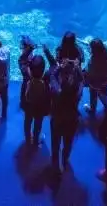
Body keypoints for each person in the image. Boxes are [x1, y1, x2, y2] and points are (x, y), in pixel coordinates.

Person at [44, 44, 83, 174]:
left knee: (55, 139)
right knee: (68, 141)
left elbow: (52, 76)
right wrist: (77, 68)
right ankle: (65, 159)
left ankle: (55, 158)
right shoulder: (77, 93)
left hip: (57, 118)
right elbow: (81, 80)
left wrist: (60, 67)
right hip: (72, 119)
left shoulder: (57, 90)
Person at [23, 55, 50, 145]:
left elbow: (26, 96)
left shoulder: (28, 81)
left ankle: (27, 138)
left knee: (27, 122)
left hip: (29, 107)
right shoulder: (45, 83)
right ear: (43, 70)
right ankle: (35, 139)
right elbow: (46, 97)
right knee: (38, 124)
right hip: (40, 109)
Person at [83, 38, 107, 115]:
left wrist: (83, 72)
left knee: (93, 94)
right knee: (104, 92)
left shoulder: (94, 61)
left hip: (95, 82)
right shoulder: (105, 51)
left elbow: (89, 72)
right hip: (106, 78)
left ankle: (92, 110)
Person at [18, 35, 38, 109]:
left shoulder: (26, 56)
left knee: (25, 85)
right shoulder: (30, 54)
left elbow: (23, 60)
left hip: (27, 73)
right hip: (27, 71)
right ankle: (25, 101)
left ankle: (24, 102)